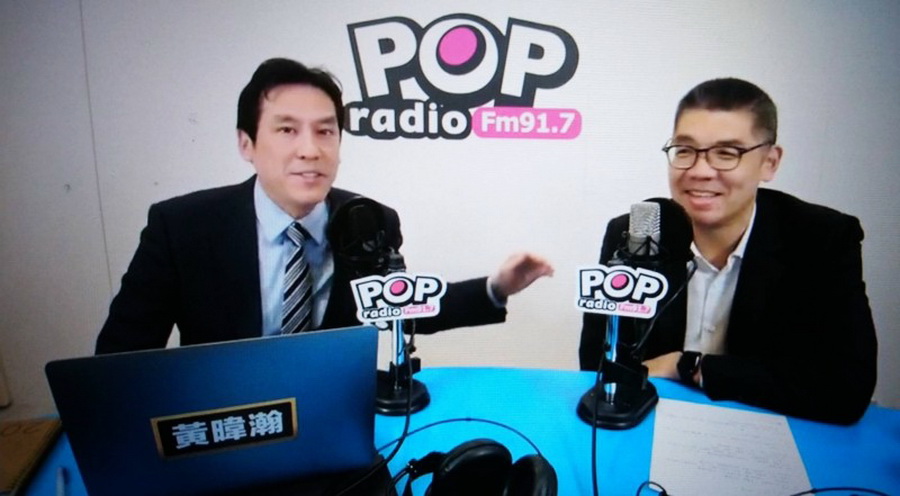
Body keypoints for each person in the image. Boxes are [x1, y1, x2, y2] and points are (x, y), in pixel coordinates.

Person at [96, 57, 553, 354]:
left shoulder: (368, 220)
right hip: (223, 420)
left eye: (325, 131)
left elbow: (398, 305)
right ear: (246, 143)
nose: (310, 150)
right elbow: (120, 357)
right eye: (287, 130)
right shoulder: (181, 227)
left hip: (331, 418)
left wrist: (496, 286)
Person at [579, 78, 877, 425]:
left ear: (770, 162)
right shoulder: (635, 234)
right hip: (653, 422)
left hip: (769, 426)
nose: (700, 171)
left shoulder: (819, 239)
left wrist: (688, 365)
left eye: (726, 153)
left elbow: (846, 390)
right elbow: (597, 367)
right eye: (685, 150)